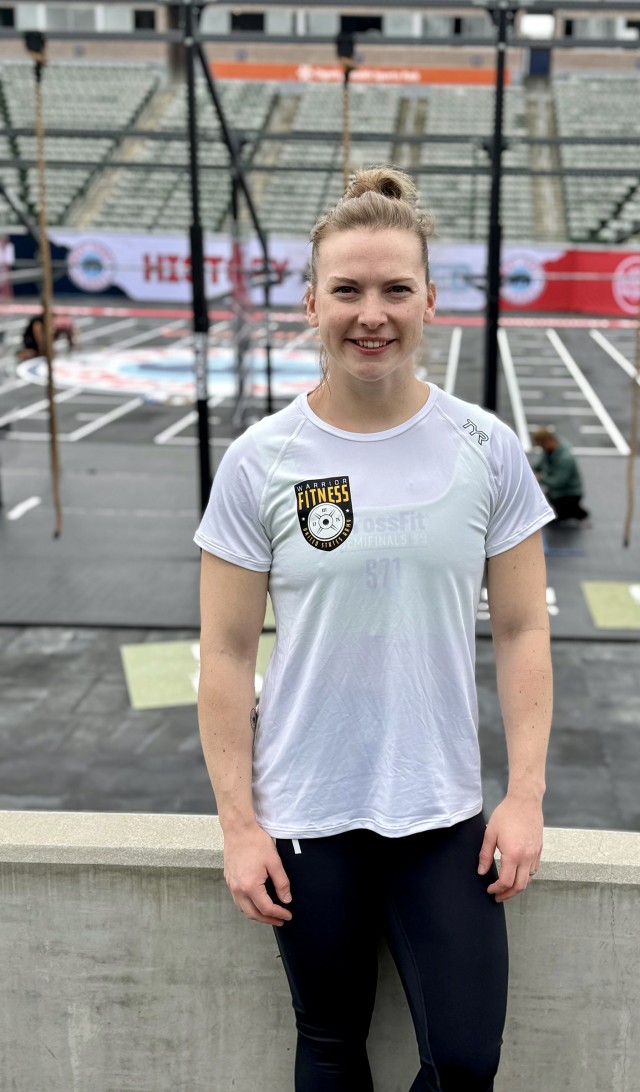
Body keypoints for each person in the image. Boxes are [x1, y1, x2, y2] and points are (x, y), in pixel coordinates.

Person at [195, 166, 555, 1092]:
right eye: (348, 290)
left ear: (431, 298)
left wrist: (524, 794)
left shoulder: (486, 447)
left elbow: (519, 629)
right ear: (310, 301)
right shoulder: (259, 461)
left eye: (396, 289)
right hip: (307, 809)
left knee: (467, 1059)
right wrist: (239, 825)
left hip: (439, 807)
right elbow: (228, 654)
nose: (372, 313)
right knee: (330, 1044)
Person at [532, 425, 589, 523]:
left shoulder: (565, 458)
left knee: (560, 510)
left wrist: (541, 477)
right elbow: (539, 466)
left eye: (542, 445)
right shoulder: (549, 451)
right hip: (561, 490)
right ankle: (572, 510)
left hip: (570, 492)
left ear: (548, 441)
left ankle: (576, 512)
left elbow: (558, 482)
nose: (541, 448)